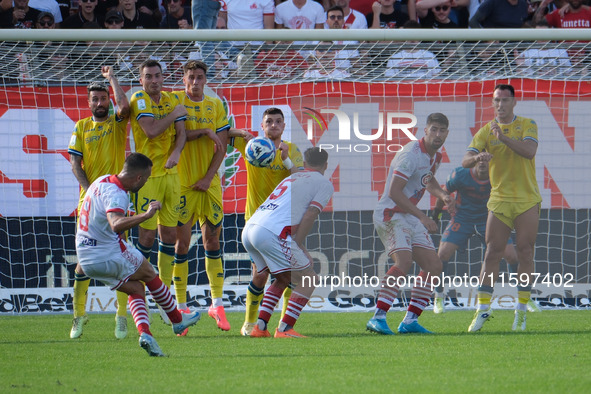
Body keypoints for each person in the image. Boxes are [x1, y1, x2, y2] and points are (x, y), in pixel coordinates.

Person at [75, 153, 201, 356]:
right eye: (147, 178)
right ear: (139, 178)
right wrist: (146, 215)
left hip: (86, 259)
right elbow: (115, 224)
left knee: (136, 288)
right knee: (149, 272)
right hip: (106, 252)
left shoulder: (100, 181)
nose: (146, 183)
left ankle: (146, 335)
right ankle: (177, 320)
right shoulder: (118, 193)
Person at [367, 112, 455, 335]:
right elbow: (394, 192)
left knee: (434, 266)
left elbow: (428, 180)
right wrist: (423, 217)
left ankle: (409, 321)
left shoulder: (436, 156)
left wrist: (443, 195)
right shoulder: (410, 154)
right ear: (425, 130)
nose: (437, 134)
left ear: (446, 133)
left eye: (441, 130)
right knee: (404, 261)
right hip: (390, 213)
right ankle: (377, 317)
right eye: (433, 129)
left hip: (408, 215)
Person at [463, 84, 542, 332]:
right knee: (491, 253)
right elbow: (465, 159)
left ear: (514, 102)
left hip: (527, 199)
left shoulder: (527, 125)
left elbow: (529, 152)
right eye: (496, 100)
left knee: (525, 252)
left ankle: (520, 313)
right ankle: (483, 309)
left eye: (504, 101)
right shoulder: (486, 130)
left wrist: (503, 138)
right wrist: (477, 158)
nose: (499, 105)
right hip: (499, 200)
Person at [67, 66, 131, 340]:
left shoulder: (117, 123)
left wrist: (112, 79)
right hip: (88, 203)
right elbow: (74, 164)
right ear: (88, 102)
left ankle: (121, 317)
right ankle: (78, 317)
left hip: (115, 200)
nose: (99, 102)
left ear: (108, 99)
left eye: (103, 98)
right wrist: (89, 188)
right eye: (94, 99)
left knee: (121, 261)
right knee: (83, 264)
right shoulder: (81, 127)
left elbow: (125, 107)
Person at [228, 107, 304, 336]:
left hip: (283, 221)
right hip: (256, 220)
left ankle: (284, 324)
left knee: (291, 272)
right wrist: (243, 134)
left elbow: (301, 178)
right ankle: (250, 323)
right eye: (269, 121)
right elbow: (219, 132)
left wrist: (285, 159)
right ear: (262, 126)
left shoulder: (291, 149)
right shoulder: (252, 146)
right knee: (260, 274)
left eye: (278, 121)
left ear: (283, 126)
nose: (273, 125)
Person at [245, 147, 334, 338]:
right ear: (326, 165)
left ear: (304, 163)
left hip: (250, 227)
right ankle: (285, 329)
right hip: (271, 232)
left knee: (284, 278)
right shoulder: (323, 183)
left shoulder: (291, 178)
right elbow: (310, 214)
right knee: (309, 278)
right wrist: (299, 244)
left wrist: (287, 160)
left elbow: (298, 173)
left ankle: (259, 328)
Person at [430, 161, 540, 314]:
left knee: (512, 256)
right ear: (474, 160)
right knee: (442, 254)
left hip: (487, 220)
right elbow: (444, 192)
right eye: (479, 159)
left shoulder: (499, 176)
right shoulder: (460, 174)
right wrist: (436, 216)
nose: (482, 163)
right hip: (462, 219)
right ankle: (439, 297)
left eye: (486, 160)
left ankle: (525, 298)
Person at [172, 60, 230, 333]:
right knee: (181, 245)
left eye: (200, 77)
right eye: (191, 77)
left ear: (206, 80)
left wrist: (208, 178)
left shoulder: (215, 105)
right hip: (183, 184)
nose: (195, 82)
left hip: (210, 183)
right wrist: (204, 132)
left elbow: (223, 144)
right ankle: (181, 307)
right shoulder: (174, 102)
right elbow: (177, 137)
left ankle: (216, 303)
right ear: (184, 80)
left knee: (212, 239)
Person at [129, 59, 188, 324]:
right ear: (141, 80)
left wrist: (176, 150)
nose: (154, 80)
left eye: (157, 76)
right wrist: (174, 115)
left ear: (164, 78)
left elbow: (182, 133)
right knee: (147, 236)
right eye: (148, 76)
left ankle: (163, 299)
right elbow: (151, 131)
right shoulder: (139, 99)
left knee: (170, 235)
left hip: (171, 175)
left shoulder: (171, 99)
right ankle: (138, 295)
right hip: (148, 177)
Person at [303, 6, 360, 80]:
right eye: (332, 17)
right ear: (327, 21)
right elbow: (311, 60)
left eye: (339, 17)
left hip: (344, 78)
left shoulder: (350, 39)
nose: (336, 20)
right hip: (321, 77)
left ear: (343, 21)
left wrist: (356, 73)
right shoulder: (318, 38)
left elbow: (356, 63)